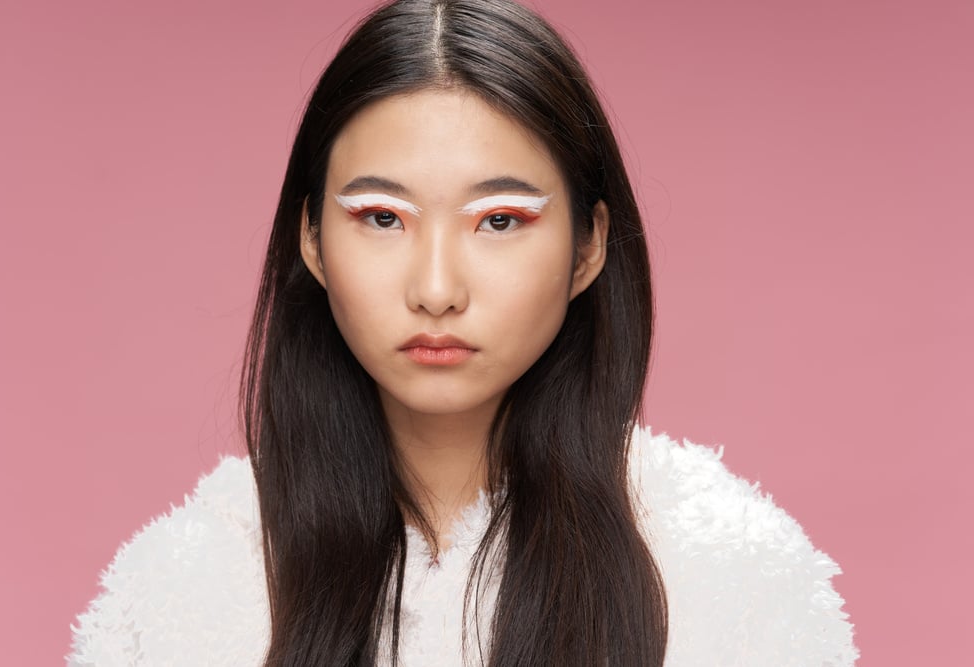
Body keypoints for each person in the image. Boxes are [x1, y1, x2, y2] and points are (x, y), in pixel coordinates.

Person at [68, 0, 857, 664]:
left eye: (500, 220)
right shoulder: (188, 585)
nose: (437, 289)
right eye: (382, 217)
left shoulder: (730, 577)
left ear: (588, 246)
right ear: (311, 238)